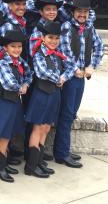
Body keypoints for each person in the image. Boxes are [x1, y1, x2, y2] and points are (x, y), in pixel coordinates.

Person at [55, 0, 104, 168]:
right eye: (79, 11)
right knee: (66, 114)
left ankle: (63, 149)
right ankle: (61, 153)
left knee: (72, 113)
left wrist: (92, 65)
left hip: (82, 76)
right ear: (73, 12)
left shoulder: (90, 27)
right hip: (71, 77)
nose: (82, 14)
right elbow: (64, 51)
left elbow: (100, 47)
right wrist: (75, 69)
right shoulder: (67, 27)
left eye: (85, 11)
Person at [25, 21, 75, 178]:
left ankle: (39, 162)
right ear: (43, 37)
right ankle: (31, 166)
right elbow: (42, 72)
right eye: (50, 37)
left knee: (46, 128)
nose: (54, 41)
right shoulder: (39, 53)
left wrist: (63, 77)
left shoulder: (57, 53)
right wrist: (59, 79)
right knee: (38, 128)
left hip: (54, 95)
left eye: (56, 38)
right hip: (42, 95)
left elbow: (72, 66)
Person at [0, 30, 32, 183]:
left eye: (19, 46)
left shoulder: (20, 61)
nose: (17, 49)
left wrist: (26, 83)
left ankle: (5, 162)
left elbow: (29, 73)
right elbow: (8, 83)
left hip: (14, 102)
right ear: (5, 48)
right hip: (4, 102)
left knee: (10, 132)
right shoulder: (2, 63)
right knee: (4, 134)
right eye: (13, 46)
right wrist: (21, 87)